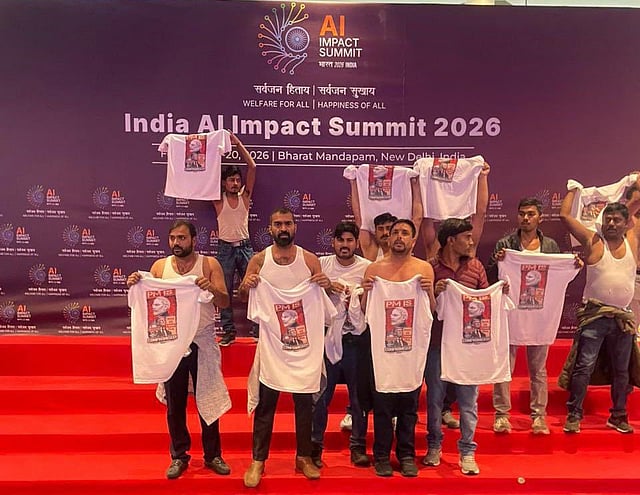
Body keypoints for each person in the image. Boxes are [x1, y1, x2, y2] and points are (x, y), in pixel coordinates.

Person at [126, 220, 231, 479]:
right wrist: (137, 283)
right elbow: (149, 302)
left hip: (202, 341)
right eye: (173, 238)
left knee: (207, 399)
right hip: (171, 344)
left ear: (194, 240)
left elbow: (225, 301)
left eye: (182, 238)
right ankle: (179, 456)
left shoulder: (209, 265)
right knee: (175, 404)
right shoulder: (159, 268)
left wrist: (211, 288)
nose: (176, 242)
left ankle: (213, 455)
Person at [238, 207, 331, 488]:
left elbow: (324, 298)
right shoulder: (259, 260)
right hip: (272, 348)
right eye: (277, 224)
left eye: (287, 223)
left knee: (304, 405)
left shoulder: (310, 260)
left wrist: (326, 284)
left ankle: (304, 457)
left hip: (304, 348)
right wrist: (246, 285)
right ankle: (258, 460)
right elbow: (243, 297)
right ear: (270, 228)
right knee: (266, 405)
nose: (283, 228)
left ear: (295, 226)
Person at [559, 183, 640, 434]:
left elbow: (636, 203)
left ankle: (618, 415)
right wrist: (573, 189)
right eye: (608, 219)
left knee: (621, 370)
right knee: (584, 367)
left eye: (617, 220)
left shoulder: (632, 239)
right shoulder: (593, 241)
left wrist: (636, 183)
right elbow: (565, 216)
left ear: (626, 224)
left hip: (622, 319)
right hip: (594, 317)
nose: (612, 223)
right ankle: (574, 414)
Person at [361, 219, 435, 477]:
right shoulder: (374, 270)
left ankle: (406, 455)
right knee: (381, 406)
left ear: (413, 240)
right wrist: (366, 292)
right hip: (383, 352)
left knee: (409, 407)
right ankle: (381, 456)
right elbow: (365, 312)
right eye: (395, 232)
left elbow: (432, 311)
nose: (399, 237)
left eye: (405, 233)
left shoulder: (424, 269)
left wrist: (430, 292)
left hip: (411, 353)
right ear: (388, 238)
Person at [487, 197, 561, 435]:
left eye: (530, 214)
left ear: (540, 217)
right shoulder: (506, 244)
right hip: (511, 313)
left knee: (538, 370)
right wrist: (497, 263)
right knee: (504, 367)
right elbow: (491, 278)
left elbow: (557, 276)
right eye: (522, 214)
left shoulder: (550, 246)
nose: (525, 218)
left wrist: (574, 265)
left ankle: (539, 416)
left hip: (540, 316)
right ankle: (501, 415)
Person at [423, 218, 489, 475]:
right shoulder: (430, 268)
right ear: (451, 240)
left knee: (468, 402)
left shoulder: (476, 266)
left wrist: (499, 292)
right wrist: (434, 292)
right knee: (434, 400)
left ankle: (467, 452)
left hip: (467, 347)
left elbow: (486, 301)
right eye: (467, 237)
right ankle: (434, 446)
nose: (471, 242)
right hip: (437, 344)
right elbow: (421, 307)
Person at [311, 221, 371, 469]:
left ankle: (358, 446)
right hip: (326, 337)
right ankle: (315, 447)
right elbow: (307, 291)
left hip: (356, 341)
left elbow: (372, 302)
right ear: (333, 242)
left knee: (359, 398)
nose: (344, 245)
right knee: (321, 396)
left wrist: (361, 293)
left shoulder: (367, 267)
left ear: (356, 243)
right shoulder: (321, 264)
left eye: (349, 240)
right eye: (340, 240)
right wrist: (324, 286)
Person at [213, 133, 257, 346]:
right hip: (225, 250)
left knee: (255, 288)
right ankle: (229, 332)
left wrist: (237, 144)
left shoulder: (245, 197)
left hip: (245, 248)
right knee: (224, 292)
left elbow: (252, 167)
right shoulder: (217, 199)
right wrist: (214, 148)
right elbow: (209, 174)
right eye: (231, 180)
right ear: (224, 182)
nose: (235, 183)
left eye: (238, 180)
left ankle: (258, 329)